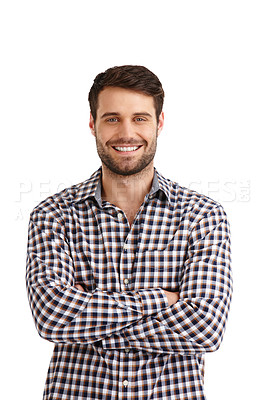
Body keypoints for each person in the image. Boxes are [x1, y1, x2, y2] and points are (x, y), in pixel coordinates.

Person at [26, 65, 233, 400]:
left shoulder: (202, 216)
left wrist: (86, 317)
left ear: (159, 123)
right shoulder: (53, 216)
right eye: (112, 118)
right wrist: (162, 300)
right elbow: (52, 319)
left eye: (139, 118)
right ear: (92, 124)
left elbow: (206, 329)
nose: (126, 133)